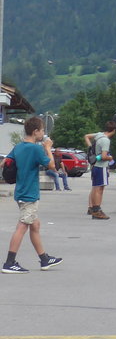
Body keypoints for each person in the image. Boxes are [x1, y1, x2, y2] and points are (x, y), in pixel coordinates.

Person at [3, 117, 64, 273]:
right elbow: (52, 166)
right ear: (35, 131)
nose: (43, 133)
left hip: (21, 191)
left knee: (35, 225)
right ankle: (10, 262)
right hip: (29, 194)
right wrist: (48, 148)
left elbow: (6, 162)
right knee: (22, 226)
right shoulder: (35, 149)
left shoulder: (18, 147)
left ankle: (44, 259)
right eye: (42, 130)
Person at [84, 121, 116, 220]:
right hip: (101, 166)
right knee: (99, 189)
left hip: (94, 166)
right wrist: (110, 158)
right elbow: (103, 156)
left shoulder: (99, 135)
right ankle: (97, 210)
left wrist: (90, 148)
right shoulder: (106, 140)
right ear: (114, 130)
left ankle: (94, 209)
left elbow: (86, 136)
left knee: (95, 188)